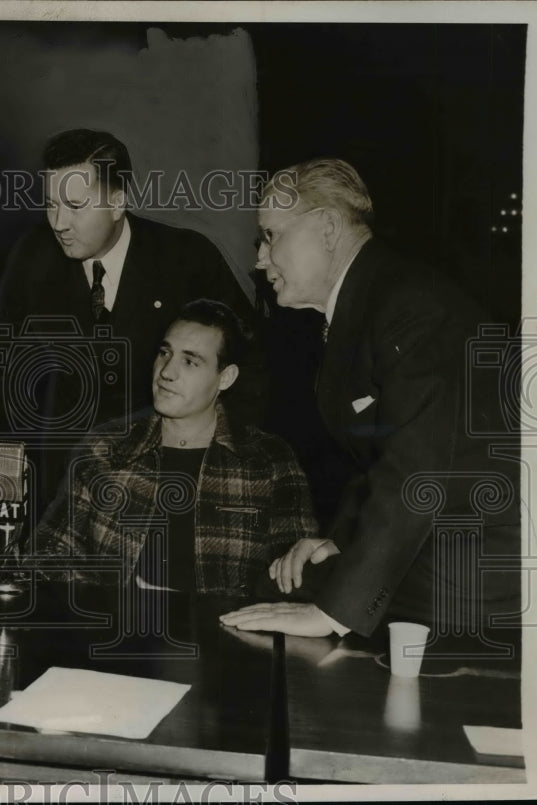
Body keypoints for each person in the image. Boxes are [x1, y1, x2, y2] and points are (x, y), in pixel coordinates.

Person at [221, 158, 520, 638]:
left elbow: (416, 470)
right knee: (291, 579)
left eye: (271, 236)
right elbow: (380, 463)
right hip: (449, 538)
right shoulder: (375, 300)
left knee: (297, 591)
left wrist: (331, 612)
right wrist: (336, 543)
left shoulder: (410, 306)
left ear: (327, 227)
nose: (259, 259)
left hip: (494, 557)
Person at [0, 129, 263, 507]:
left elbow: (250, 366)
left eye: (75, 205)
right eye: (51, 203)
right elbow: (1, 375)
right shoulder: (32, 259)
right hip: (63, 489)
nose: (58, 222)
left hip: (170, 483)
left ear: (118, 202)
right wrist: (1, 489)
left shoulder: (187, 259)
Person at [34, 300, 316, 596]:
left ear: (226, 377)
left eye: (190, 361)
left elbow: (297, 575)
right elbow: (49, 551)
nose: (166, 372)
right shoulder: (105, 448)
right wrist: (109, 606)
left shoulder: (268, 460)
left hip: (224, 638)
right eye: (164, 353)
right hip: (116, 635)